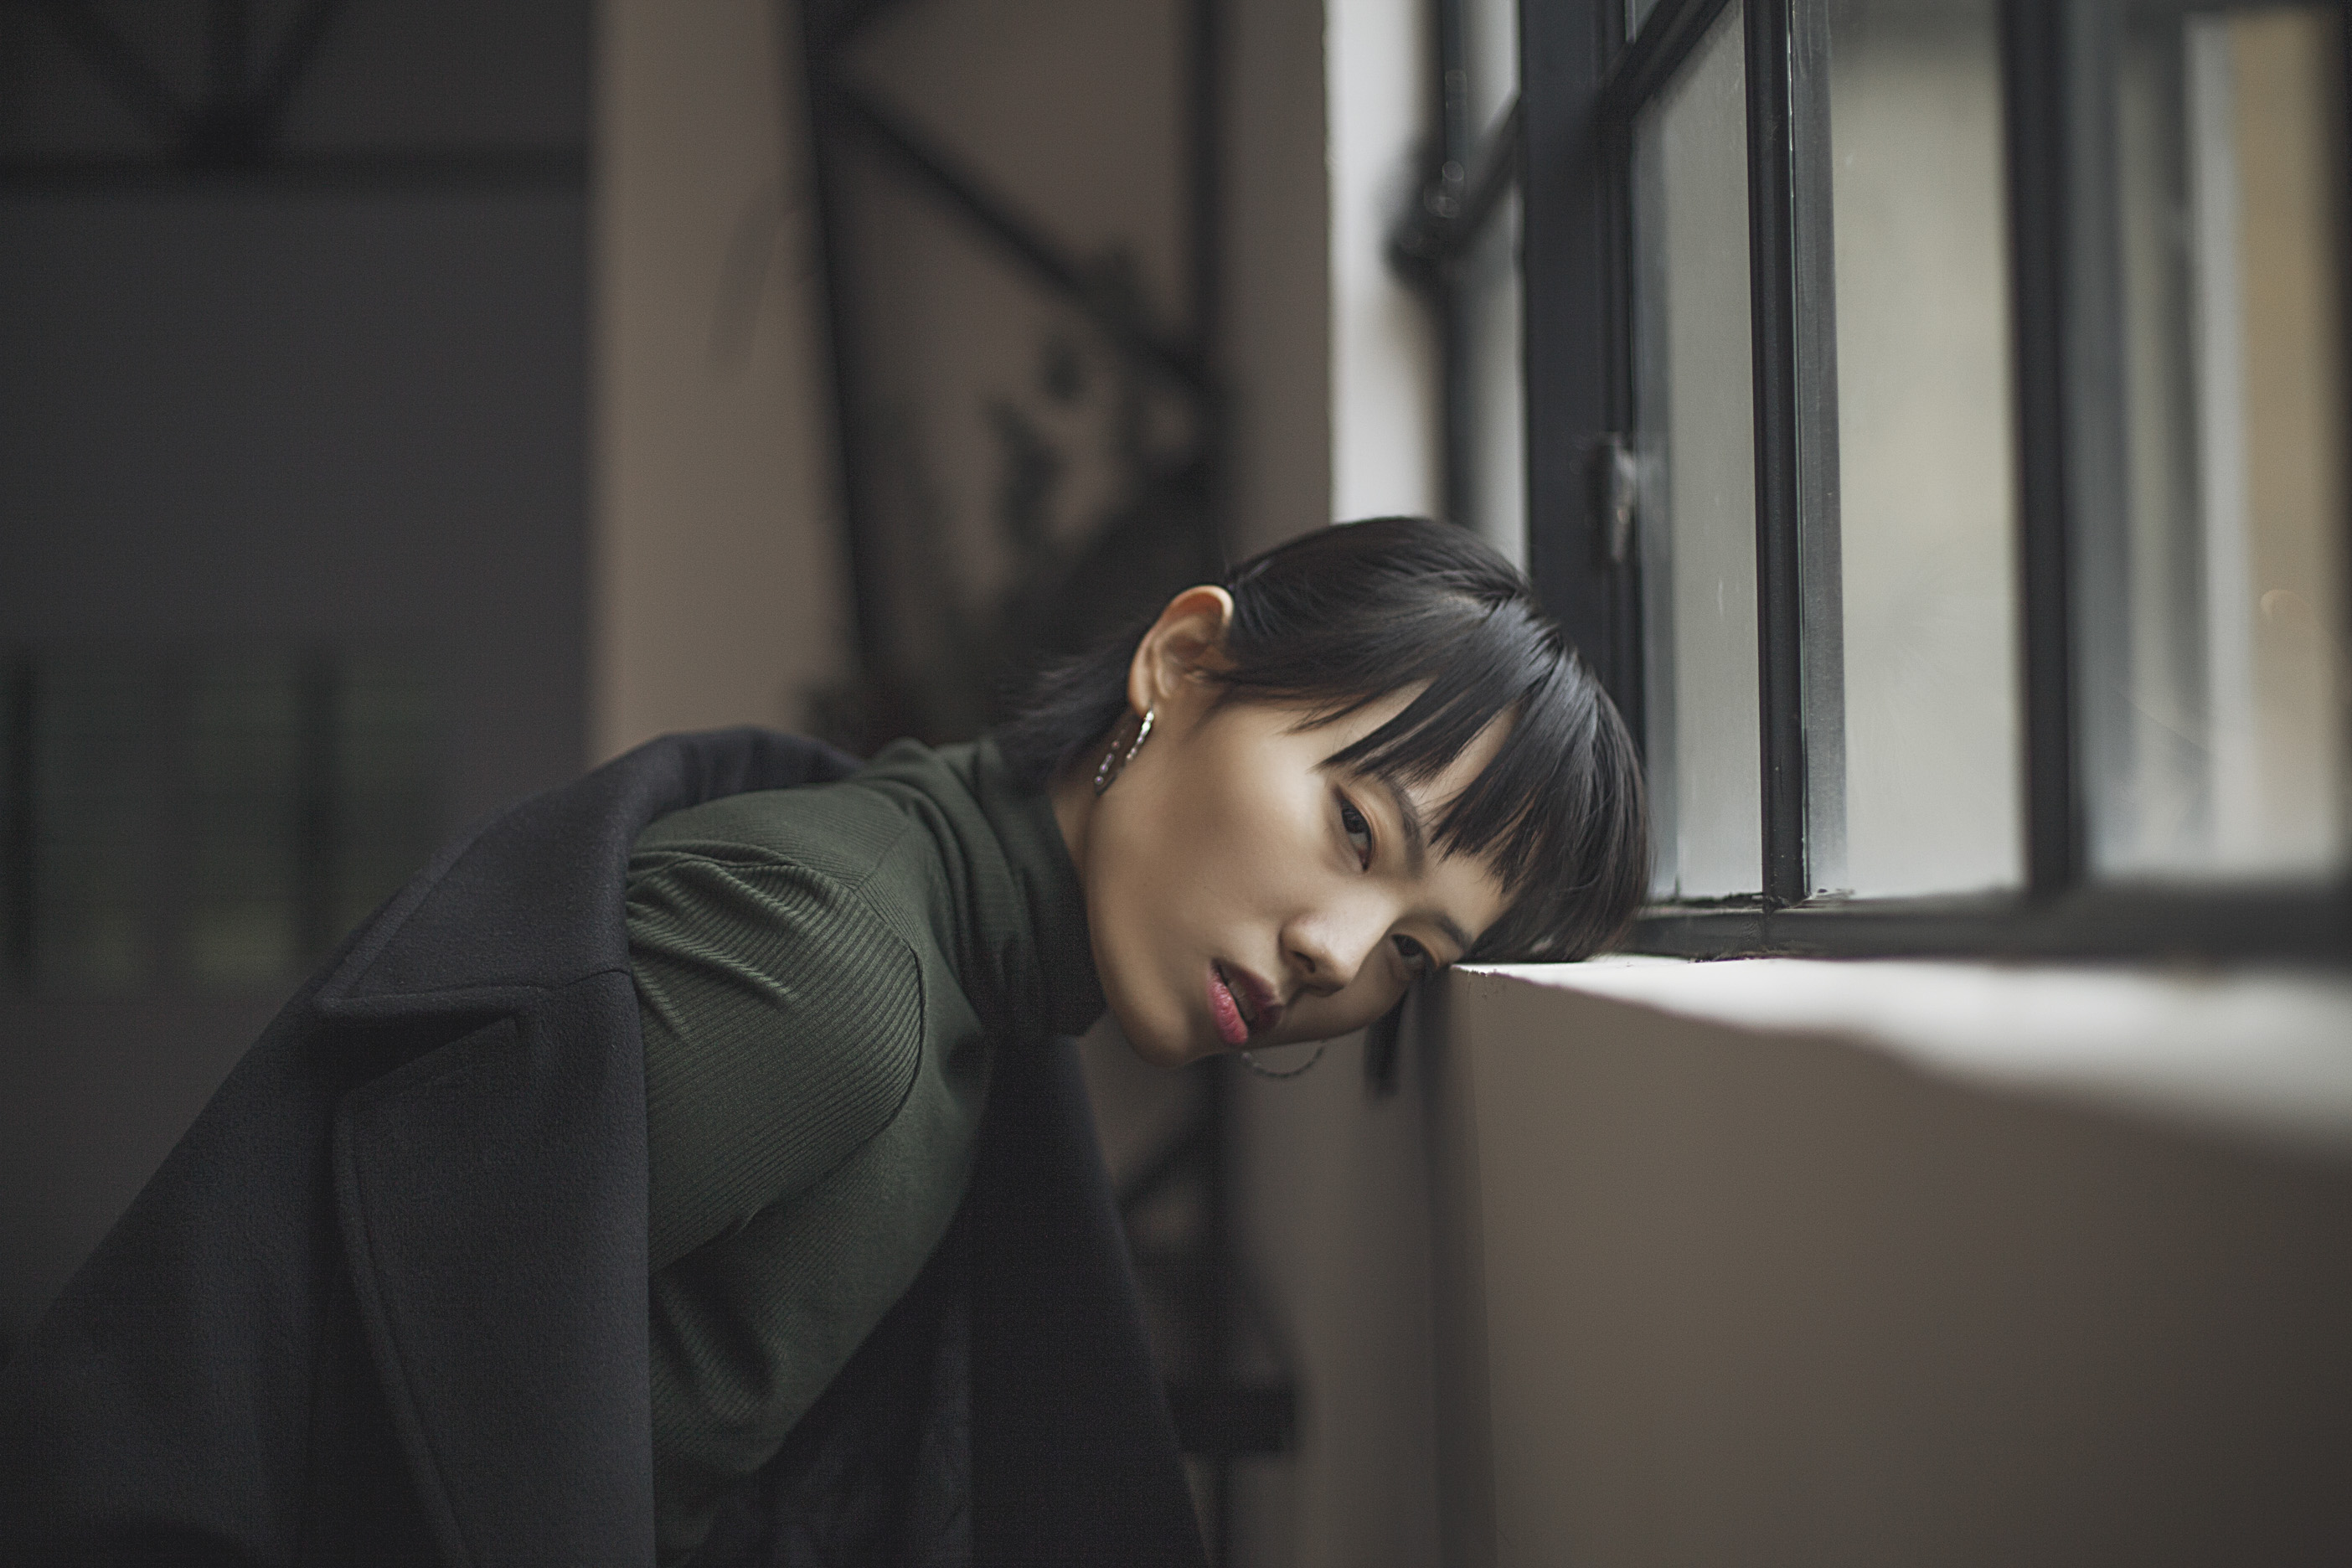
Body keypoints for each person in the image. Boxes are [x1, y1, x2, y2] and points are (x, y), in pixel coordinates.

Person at [1, 515, 1646, 1566]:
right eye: (1355, 831)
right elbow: (329, 1393)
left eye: (1414, 953)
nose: (1339, 956)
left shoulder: (955, 969)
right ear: (1185, 662)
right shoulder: (837, 984)